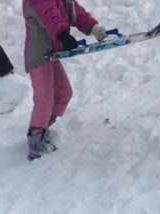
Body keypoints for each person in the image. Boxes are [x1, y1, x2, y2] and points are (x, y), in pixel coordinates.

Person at [22, 0, 107, 160]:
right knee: (45, 100)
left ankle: (42, 128)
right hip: (39, 55)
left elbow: (74, 11)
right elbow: (49, 14)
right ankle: (36, 141)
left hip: (51, 54)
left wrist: (93, 27)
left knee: (63, 93)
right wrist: (62, 34)